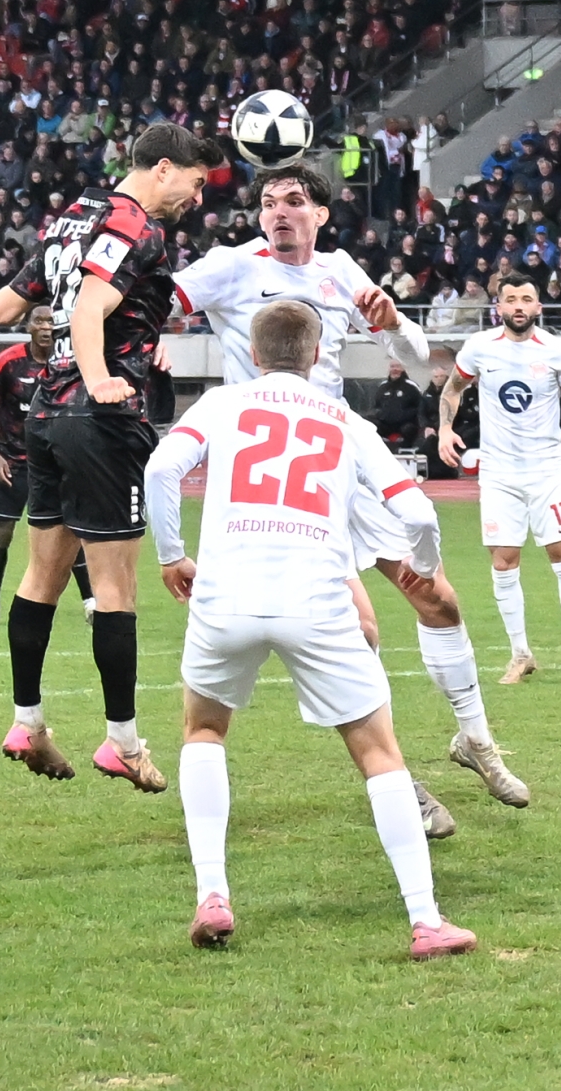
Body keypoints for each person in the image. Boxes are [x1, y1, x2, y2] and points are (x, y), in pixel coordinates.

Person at [172, 162, 516, 832]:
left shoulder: (338, 270)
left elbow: (418, 355)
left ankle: (475, 741)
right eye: (269, 202)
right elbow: (156, 303)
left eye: (294, 201)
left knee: (439, 600)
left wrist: (394, 322)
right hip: (282, 484)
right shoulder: (231, 267)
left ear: (321, 215)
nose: (279, 211)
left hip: (343, 464)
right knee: (358, 629)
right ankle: (399, 780)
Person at [145, 300, 478, 960]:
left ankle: (212, 894)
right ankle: (425, 920)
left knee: (204, 730)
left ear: (253, 351)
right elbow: (417, 512)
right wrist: (422, 566)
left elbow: (159, 470)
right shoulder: (346, 420)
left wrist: (171, 555)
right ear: (317, 351)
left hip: (226, 593)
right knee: (379, 754)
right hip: (317, 599)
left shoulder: (221, 403)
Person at [0, 121, 223, 792]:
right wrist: (100, 378)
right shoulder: (134, 224)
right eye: (195, 183)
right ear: (163, 168)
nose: (196, 199)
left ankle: (27, 721)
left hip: (45, 412)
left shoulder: (72, 218)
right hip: (101, 419)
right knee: (116, 591)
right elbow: (92, 306)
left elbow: (4, 308)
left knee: (41, 577)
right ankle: (123, 742)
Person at [438, 274, 561, 687]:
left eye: (526, 299)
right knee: (503, 560)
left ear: (538, 307)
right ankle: (520, 654)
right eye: (511, 299)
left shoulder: (556, 350)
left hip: (546, 470)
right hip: (499, 473)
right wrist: (445, 428)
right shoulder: (480, 347)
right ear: (498, 307)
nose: (518, 305)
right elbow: (453, 389)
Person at [0, 305, 95, 626]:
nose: (46, 327)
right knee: (3, 533)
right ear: (28, 326)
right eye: (39, 321)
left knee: (69, 531)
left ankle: (91, 602)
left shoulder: (71, 362)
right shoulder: (7, 362)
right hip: (12, 464)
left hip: (54, 463)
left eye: (51, 322)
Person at [371, 361, 426, 447]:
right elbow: (376, 406)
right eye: (392, 366)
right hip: (385, 424)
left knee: (409, 429)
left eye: (397, 366)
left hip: (404, 424)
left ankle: (405, 450)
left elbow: (420, 407)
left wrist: (405, 415)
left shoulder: (411, 386)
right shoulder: (382, 387)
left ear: (403, 368)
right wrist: (381, 414)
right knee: (370, 425)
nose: (395, 369)